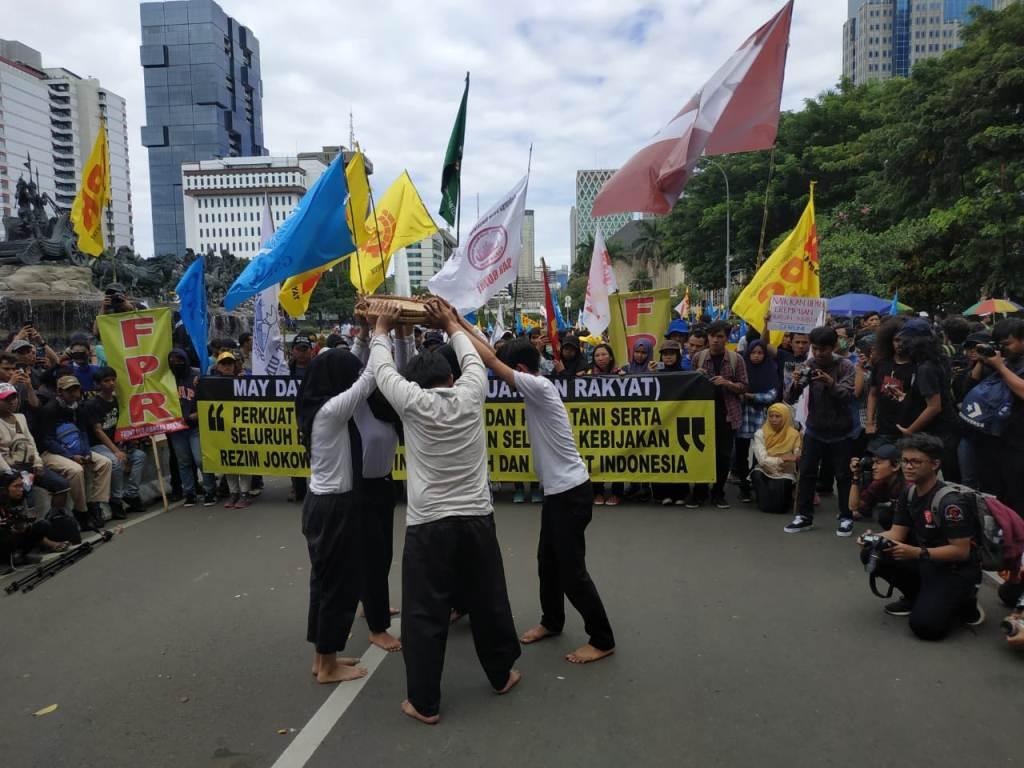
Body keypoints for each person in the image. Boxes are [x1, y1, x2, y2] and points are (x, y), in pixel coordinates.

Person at [368, 299, 520, 725]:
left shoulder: (411, 401)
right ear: (450, 377)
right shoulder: (471, 392)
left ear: (416, 381)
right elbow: (475, 355)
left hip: (429, 524)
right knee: (489, 601)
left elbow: (382, 371)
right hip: (476, 518)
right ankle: (502, 673)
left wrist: (381, 327)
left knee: (423, 613)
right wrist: (451, 323)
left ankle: (424, 702)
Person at [463, 329, 615, 665]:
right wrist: (457, 319)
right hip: (559, 494)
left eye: (510, 373)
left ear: (520, 368)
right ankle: (552, 621)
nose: (507, 382)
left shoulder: (539, 385)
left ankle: (602, 639)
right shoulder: (536, 387)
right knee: (547, 563)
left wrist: (449, 323)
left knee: (571, 572)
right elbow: (493, 352)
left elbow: (490, 359)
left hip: (571, 493)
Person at [294, 345, 378, 685]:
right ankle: (328, 668)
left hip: (322, 504)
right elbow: (369, 379)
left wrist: (362, 333)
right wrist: (383, 331)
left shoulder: (318, 405)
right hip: (333, 509)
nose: (352, 379)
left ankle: (323, 656)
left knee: (324, 583)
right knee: (337, 588)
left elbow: (354, 370)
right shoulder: (331, 411)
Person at [857, 434, 984, 639]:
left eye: (915, 461)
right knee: (872, 551)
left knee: (926, 628)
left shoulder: (950, 502)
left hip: (954, 570)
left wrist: (915, 552)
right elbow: (897, 533)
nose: (908, 466)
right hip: (926, 560)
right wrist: (872, 537)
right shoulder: (908, 493)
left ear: (935, 464)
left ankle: (965, 600)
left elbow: (961, 552)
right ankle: (916, 596)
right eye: (905, 461)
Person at [349, 319, 409, 654]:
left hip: (384, 485)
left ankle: (371, 601)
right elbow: (355, 370)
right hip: (359, 489)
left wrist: (402, 336)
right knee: (372, 556)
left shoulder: (389, 409)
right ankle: (377, 626)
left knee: (382, 553)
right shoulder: (359, 404)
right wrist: (364, 334)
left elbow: (402, 370)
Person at [784, 326, 858, 536]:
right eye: (814, 348)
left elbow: (847, 395)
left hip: (841, 431)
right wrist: (796, 382)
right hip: (815, 428)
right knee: (806, 473)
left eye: (823, 349)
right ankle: (803, 516)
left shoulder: (845, 366)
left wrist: (830, 383)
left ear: (833, 347)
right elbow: (789, 398)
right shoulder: (808, 364)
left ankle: (846, 516)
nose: (818, 354)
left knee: (843, 476)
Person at [687, 321, 748, 509]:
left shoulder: (736, 359)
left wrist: (727, 383)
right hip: (702, 414)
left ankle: (718, 493)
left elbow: (744, 386)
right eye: (712, 336)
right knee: (700, 452)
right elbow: (687, 385)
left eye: (720, 336)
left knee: (723, 456)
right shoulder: (698, 357)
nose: (715, 340)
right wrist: (695, 375)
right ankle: (699, 492)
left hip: (727, 414)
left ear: (726, 338)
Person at [38, 376, 112, 532]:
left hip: (77, 447)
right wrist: (71, 456)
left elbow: (83, 432)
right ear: (59, 392)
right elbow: (48, 440)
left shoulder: (78, 408)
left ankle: (95, 504)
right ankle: (81, 511)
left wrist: (85, 452)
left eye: (76, 390)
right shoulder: (49, 409)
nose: (74, 394)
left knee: (105, 463)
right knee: (76, 470)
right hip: (52, 452)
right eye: (69, 391)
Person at [968, 318, 1024, 517]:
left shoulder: (1008, 365)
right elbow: (971, 384)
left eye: (1008, 344)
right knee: (996, 495)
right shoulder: (1004, 360)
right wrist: (983, 360)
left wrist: (1000, 367)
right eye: (1000, 345)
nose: (1004, 349)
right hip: (995, 438)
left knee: (1018, 495)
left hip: (1018, 443)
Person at [81, 367, 147, 519]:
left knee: (139, 456)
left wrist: (129, 443)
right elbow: (98, 431)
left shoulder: (118, 400)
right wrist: (116, 451)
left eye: (112, 380)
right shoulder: (92, 404)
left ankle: (131, 494)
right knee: (115, 462)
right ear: (98, 384)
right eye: (106, 381)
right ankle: (115, 500)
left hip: (119, 442)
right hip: (98, 445)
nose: (111, 383)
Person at [0, 383, 71, 516]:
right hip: (10, 469)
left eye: (14, 397)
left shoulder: (21, 418)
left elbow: (30, 441)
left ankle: (53, 520)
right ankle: (25, 527)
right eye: (6, 399)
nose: (12, 402)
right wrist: (11, 474)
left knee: (62, 485)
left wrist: (37, 462)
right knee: (23, 491)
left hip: (30, 464)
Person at [168, 348, 216, 507]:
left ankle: (210, 490)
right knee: (183, 462)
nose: (176, 364)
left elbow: (208, 396)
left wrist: (199, 413)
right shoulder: (167, 379)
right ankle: (189, 493)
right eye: (173, 361)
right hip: (177, 428)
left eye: (179, 360)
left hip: (196, 426)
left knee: (200, 459)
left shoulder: (197, 374)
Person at [734, 340, 778, 503]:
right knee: (741, 454)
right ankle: (744, 487)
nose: (756, 356)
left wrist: (753, 396)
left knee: (761, 453)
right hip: (743, 416)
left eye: (760, 353)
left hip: (761, 417)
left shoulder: (770, 370)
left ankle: (757, 482)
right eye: (753, 353)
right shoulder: (742, 368)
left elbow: (772, 394)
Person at [0, 470, 68, 572]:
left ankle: (20, 556)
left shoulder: (20, 499)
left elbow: (24, 519)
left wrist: (24, 526)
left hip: (15, 536)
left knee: (42, 525)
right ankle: (4, 561)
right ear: (4, 489)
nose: (21, 489)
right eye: (16, 486)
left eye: (21, 486)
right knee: (4, 532)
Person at [212, 352, 253, 508]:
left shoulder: (244, 378)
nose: (228, 366)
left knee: (244, 460)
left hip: (242, 426)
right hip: (224, 428)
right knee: (228, 462)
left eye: (230, 363)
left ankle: (245, 493)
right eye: (224, 363)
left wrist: (246, 381)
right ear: (218, 366)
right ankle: (233, 493)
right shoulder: (212, 382)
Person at [750, 404, 802, 514]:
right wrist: (783, 458)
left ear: (785, 417)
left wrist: (792, 457)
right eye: (771, 416)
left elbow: (797, 455)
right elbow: (762, 459)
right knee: (757, 475)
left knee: (779, 504)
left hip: (785, 472)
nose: (773, 419)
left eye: (778, 416)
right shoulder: (760, 433)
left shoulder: (794, 434)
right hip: (764, 470)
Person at [848, 443, 905, 529]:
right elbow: (854, 506)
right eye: (873, 462)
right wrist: (856, 476)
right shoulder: (879, 483)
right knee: (885, 515)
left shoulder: (909, 485)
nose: (873, 467)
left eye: (878, 463)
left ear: (896, 466)